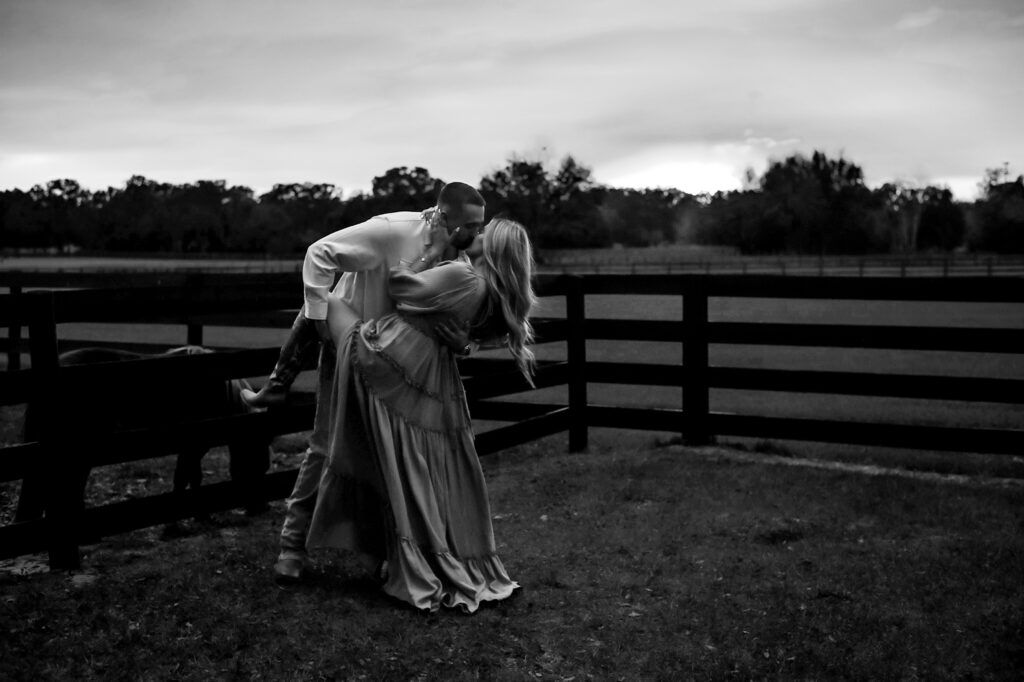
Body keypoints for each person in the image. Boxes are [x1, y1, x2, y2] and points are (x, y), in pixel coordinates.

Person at [260, 182, 487, 584]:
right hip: (352, 347)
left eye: (481, 226)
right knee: (327, 443)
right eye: (471, 225)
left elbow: (458, 318)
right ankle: (291, 546)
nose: (478, 234)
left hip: (404, 368)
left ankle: (385, 551)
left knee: (392, 455)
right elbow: (319, 254)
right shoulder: (391, 231)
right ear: (445, 218)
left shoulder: (462, 260)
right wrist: (319, 320)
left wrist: (463, 344)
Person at [306, 217, 536, 613]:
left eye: (484, 234)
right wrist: (465, 344)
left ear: (495, 251)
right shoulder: (495, 297)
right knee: (416, 464)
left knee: (327, 301)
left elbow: (400, 286)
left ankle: (277, 383)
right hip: (432, 376)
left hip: (389, 358)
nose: (475, 236)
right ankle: (417, 546)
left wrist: (429, 252)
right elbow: (472, 336)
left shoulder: (464, 276)